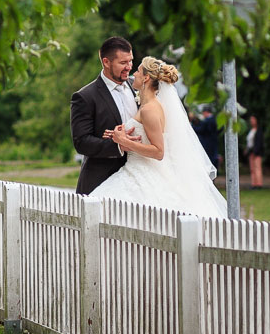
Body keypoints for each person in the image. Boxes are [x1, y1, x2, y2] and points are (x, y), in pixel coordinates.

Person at [88, 57, 227, 218]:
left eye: (138, 71)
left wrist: (123, 141)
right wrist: (118, 135)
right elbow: (144, 136)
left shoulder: (150, 109)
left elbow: (158, 151)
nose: (135, 73)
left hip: (141, 174)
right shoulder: (147, 106)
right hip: (136, 170)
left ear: (146, 77)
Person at [70, 36, 139, 195]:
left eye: (130, 61)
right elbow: (81, 142)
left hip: (138, 177)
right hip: (101, 181)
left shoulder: (138, 87)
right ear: (106, 62)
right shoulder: (84, 97)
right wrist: (119, 145)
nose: (129, 67)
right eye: (123, 63)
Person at [193, 105, 219, 172]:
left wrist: (192, 126)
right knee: (213, 158)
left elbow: (200, 130)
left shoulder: (207, 121)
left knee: (207, 159)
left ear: (205, 112)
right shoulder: (215, 120)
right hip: (214, 142)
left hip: (207, 144)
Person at [245, 114, 264, 189]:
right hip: (251, 152)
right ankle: (254, 183)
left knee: (257, 168)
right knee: (252, 168)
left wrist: (255, 151)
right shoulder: (251, 131)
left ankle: (259, 184)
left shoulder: (258, 131)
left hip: (256, 152)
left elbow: (259, 142)